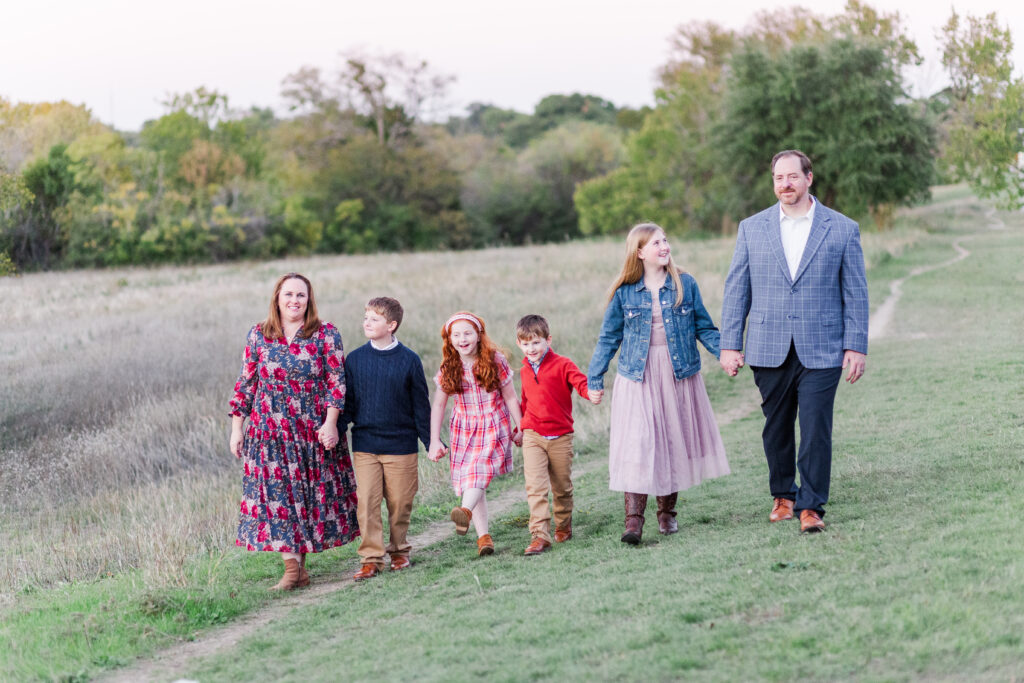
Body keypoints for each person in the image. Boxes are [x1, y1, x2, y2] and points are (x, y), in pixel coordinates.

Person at [720, 149, 868, 533]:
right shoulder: (751, 228)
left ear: (809, 178)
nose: (785, 184)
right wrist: (730, 344)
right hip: (768, 345)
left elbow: (856, 292)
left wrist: (856, 345)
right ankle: (783, 496)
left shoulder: (842, 228)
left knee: (816, 427)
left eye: (792, 177)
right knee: (777, 427)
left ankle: (811, 506)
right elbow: (737, 289)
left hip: (822, 346)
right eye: (778, 178)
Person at [588, 224, 731, 545]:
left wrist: (725, 352)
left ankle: (667, 513)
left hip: (677, 371)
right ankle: (633, 521)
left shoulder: (685, 283)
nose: (664, 246)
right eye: (656, 243)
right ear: (639, 252)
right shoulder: (625, 292)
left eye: (665, 240)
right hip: (637, 376)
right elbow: (608, 338)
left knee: (670, 438)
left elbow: (704, 327)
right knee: (638, 443)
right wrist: (594, 378)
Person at [229, 272, 359, 590]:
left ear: (309, 300)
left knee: (308, 499)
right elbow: (246, 382)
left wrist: (330, 423)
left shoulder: (326, 333)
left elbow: (336, 382)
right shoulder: (259, 334)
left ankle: (301, 569)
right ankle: (291, 569)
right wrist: (237, 428)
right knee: (279, 499)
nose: (294, 301)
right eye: (288, 295)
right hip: (269, 433)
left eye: (300, 295)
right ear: (277, 298)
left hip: (311, 432)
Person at [341, 297, 431, 581]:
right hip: (366, 445)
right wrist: (334, 430)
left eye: (375, 319)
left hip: (401, 446)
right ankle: (371, 558)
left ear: (391, 325)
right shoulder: (354, 360)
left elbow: (421, 406)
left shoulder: (409, 360)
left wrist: (431, 442)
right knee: (366, 503)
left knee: (400, 503)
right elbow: (349, 404)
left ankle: (399, 551)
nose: (367, 322)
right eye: (366, 316)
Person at [428, 311, 524, 557]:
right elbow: (439, 404)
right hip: (463, 428)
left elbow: (511, 396)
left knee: (479, 471)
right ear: (449, 340)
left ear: (479, 335)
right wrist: (434, 440)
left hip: (493, 424)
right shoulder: (449, 366)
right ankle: (484, 537)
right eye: (456, 335)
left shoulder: (495, 359)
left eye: (467, 333)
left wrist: (521, 426)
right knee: (472, 480)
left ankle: (466, 512)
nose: (462, 339)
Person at [514, 314, 598, 556]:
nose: (532, 348)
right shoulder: (524, 370)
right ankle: (540, 535)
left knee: (561, 487)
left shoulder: (563, 364)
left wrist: (589, 392)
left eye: (536, 342)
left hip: (561, 436)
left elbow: (580, 382)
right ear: (519, 344)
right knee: (535, 487)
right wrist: (519, 427)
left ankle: (563, 525)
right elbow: (525, 401)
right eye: (526, 343)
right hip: (533, 435)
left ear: (548, 340)